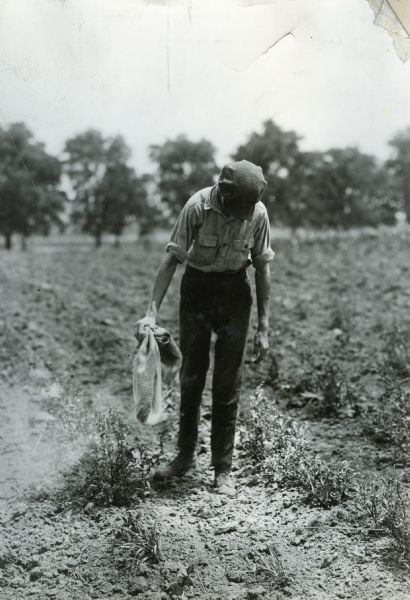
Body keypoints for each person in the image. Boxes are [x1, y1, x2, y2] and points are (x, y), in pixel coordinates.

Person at [135, 159, 274, 497]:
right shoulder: (197, 206)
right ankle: (183, 458)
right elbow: (171, 260)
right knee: (192, 377)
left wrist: (264, 326)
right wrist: (151, 313)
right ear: (224, 195)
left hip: (234, 295)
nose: (243, 214)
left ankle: (222, 470)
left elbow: (262, 269)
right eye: (238, 207)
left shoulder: (257, 214)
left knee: (228, 384)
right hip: (197, 292)